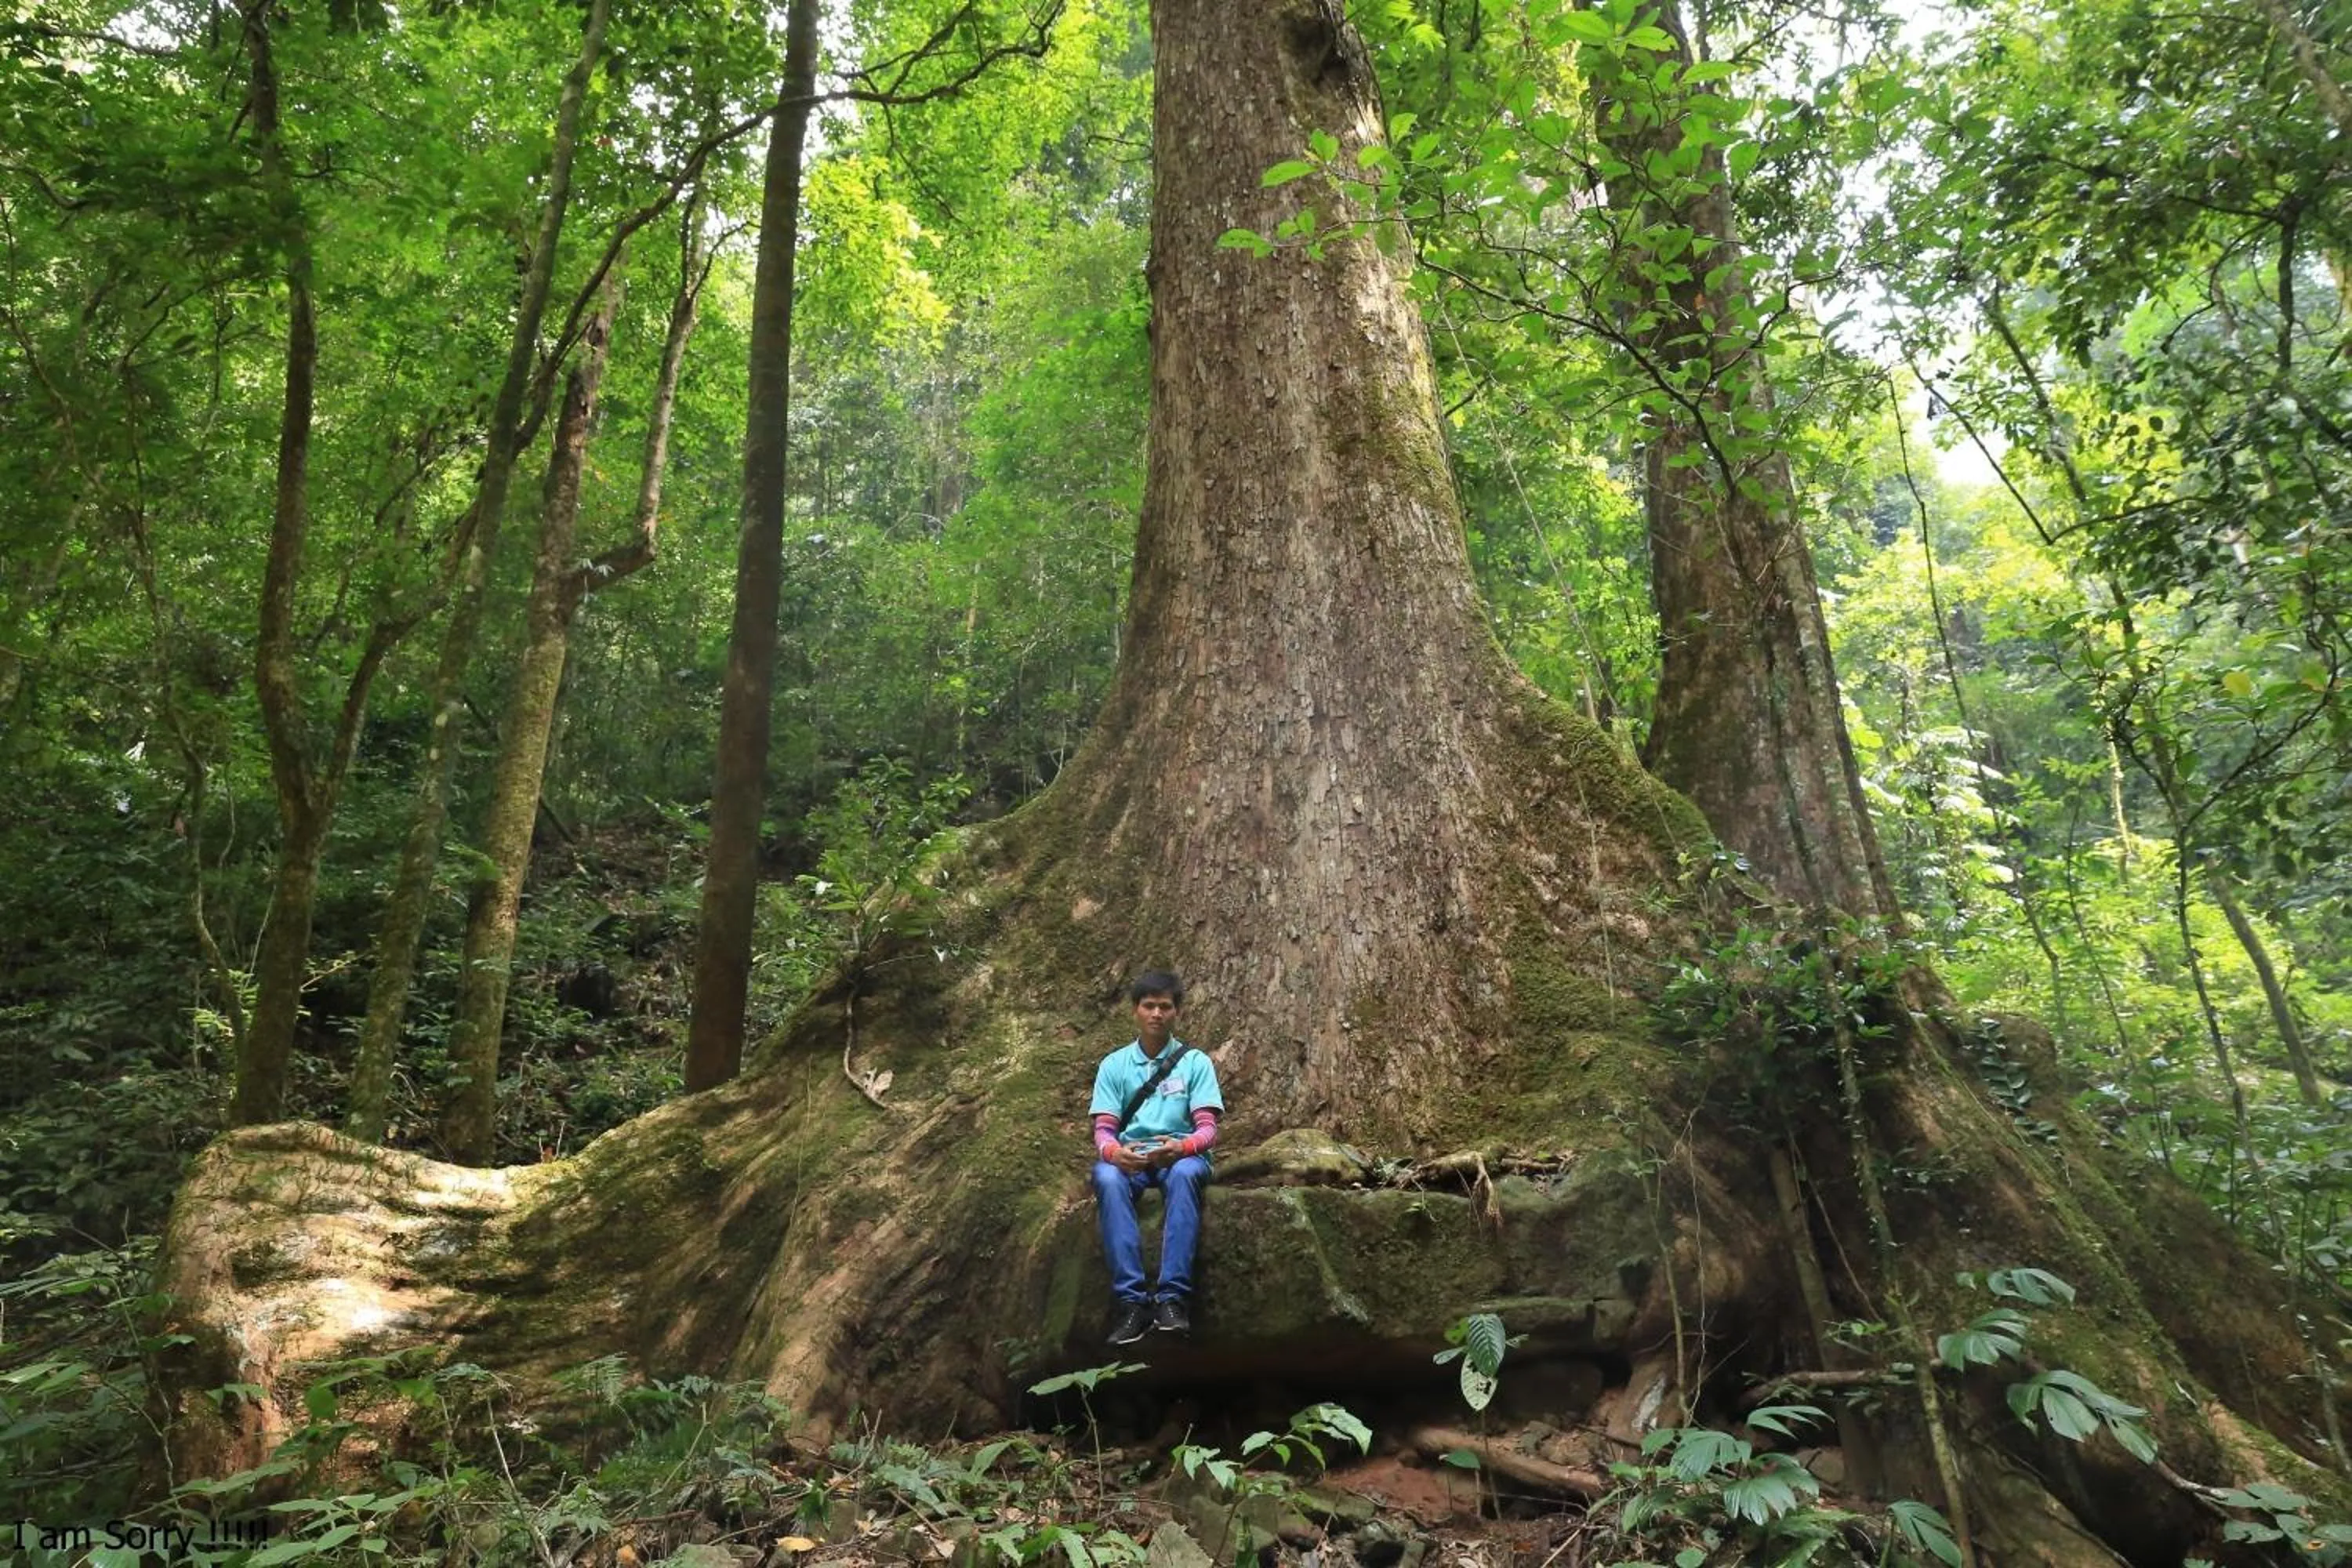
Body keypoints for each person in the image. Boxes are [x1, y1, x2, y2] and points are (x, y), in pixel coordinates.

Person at [1089, 969, 1222, 1346]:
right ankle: (1132, 1303)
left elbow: (1208, 1129)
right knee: (1107, 1178)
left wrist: (1183, 1148)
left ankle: (1172, 1300)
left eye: (1165, 1006)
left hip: (1181, 1156)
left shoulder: (1195, 1063)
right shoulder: (1114, 1066)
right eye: (1149, 1006)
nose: (1157, 1014)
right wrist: (1115, 1153)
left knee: (1184, 1177)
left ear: (1176, 1012)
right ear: (1136, 1010)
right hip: (1131, 1158)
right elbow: (1103, 1131)